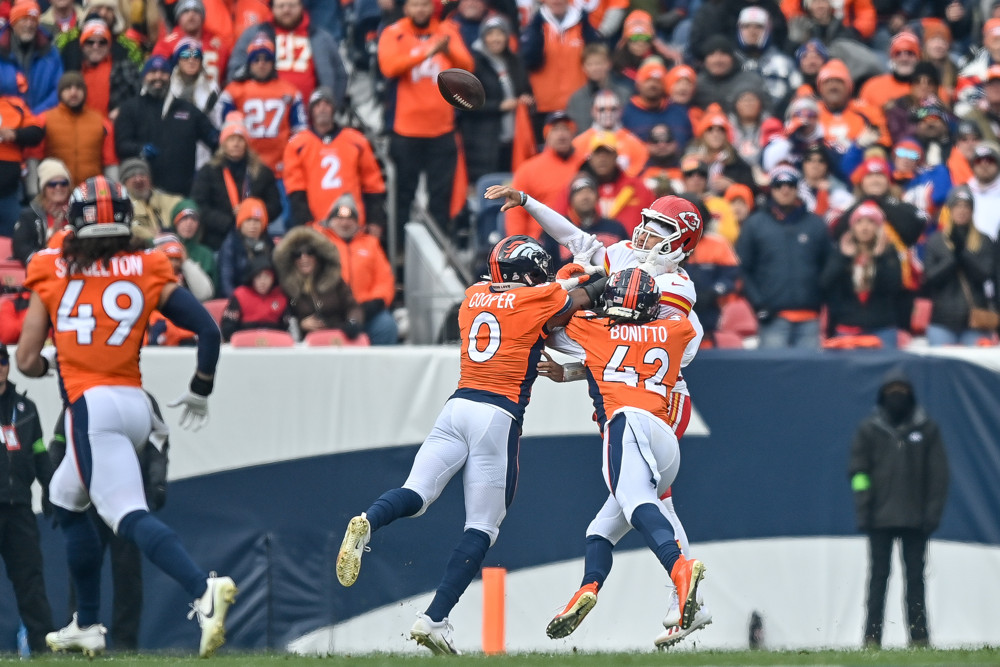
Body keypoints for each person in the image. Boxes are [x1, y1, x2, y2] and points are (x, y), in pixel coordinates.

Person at [335, 235, 604, 654]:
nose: (543, 277)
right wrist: (609, 275)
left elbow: (546, 296)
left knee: (417, 493)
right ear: (521, 274)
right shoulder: (536, 301)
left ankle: (368, 520)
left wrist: (563, 285)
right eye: (536, 271)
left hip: (456, 407)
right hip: (496, 417)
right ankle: (434, 618)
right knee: (483, 527)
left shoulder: (473, 296)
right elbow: (580, 296)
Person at [15, 176, 236, 658]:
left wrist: (55, 359)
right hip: (135, 403)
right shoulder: (149, 263)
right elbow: (207, 329)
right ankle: (88, 623)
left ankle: (203, 589)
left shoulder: (50, 267)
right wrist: (201, 386)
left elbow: (26, 359)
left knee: (124, 513)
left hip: (90, 408)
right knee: (65, 498)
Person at [485, 186, 711, 647]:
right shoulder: (632, 259)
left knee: (653, 498)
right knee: (636, 504)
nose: (646, 232)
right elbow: (578, 239)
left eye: (660, 228)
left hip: (658, 400)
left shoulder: (676, 287)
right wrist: (528, 203)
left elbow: (620, 337)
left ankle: (683, 591)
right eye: (648, 221)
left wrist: (568, 294)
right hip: (636, 382)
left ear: (681, 243)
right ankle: (667, 594)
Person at [542, 269, 705, 644]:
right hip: (664, 438)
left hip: (626, 423)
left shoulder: (591, 329)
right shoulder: (675, 329)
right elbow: (655, 335)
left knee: (635, 502)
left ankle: (680, 569)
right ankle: (587, 587)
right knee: (601, 529)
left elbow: (550, 322)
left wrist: (576, 284)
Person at [49, 393, 170, 651]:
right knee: (83, 566)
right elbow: (59, 442)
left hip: (125, 498)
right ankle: (81, 628)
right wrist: (57, 491)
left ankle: (126, 640)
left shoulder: (140, 399)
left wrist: (157, 482)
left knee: (127, 573)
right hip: (88, 498)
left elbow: (158, 445)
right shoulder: (81, 397)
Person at [848, 367, 949, 649]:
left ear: (911, 395)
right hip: (878, 518)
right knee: (878, 581)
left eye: (902, 391)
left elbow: (938, 476)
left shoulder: (927, 430)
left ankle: (919, 639)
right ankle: (871, 639)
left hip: (916, 519)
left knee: (915, 581)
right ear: (882, 395)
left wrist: (932, 513)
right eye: (891, 391)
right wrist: (863, 510)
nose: (897, 397)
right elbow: (858, 473)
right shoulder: (869, 430)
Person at [378, 0, 474, 232]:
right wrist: (425, 52)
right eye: (415, 5)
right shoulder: (394, 33)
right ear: (406, 8)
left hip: (442, 130)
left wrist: (447, 51)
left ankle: (439, 247)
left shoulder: (447, 31)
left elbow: (468, 66)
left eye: (425, 4)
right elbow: (389, 67)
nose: (420, 9)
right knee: (403, 195)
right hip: (406, 130)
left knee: (440, 197)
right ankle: (400, 249)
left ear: (432, 7)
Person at [0, 342, 55, 655]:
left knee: (31, 583)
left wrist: (50, 489)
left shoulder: (25, 408)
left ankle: (42, 652)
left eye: (2, 361)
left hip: (20, 508)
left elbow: (38, 452)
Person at [736, 166, 829, 349]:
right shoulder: (755, 224)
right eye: (779, 185)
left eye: (790, 184)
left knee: (811, 375)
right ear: (772, 189)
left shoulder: (816, 224)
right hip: (772, 317)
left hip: (810, 316)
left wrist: (820, 296)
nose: (785, 189)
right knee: (772, 376)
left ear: (797, 188)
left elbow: (829, 267)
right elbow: (742, 269)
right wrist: (758, 304)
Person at [114, 55, 219, 197]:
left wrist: (220, 138)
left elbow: (213, 138)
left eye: (163, 72)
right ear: (144, 76)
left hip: (181, 191)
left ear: (170, 77)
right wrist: (140, 149)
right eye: (153, 72)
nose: (158, 76)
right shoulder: (130, 108)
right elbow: (122, 145)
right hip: (143, 192)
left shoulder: (187, 109)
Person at [283, 87, 386, 231]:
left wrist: (375, 221)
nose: (322, 109)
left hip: (353, 223)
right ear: (311, 111)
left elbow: (373, 183)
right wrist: (306, 223)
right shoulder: (298, 144)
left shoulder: (356, 140)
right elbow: (296, 189)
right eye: (317, 105)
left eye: (327, 104)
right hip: (317, 225)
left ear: (334, 108)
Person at [226, 0, 349, 105]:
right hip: (264, 115)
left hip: (310, 121)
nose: (286, 10)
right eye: (281, 6)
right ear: (272, 8)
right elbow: (235, 71)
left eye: (291, 5)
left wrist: (330, 106)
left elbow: (340, 75)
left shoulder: (322, 38)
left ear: (301, 6)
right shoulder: (253, 34)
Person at [311, 195, 398, 345]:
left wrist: (374, 303)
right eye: (339, 217)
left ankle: (378, 368)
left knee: (386, 326)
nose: (345, 223)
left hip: (364, 310)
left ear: (357, 222)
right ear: (330, 219)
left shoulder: (371, 244)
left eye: (350, 218)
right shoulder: (319, 242)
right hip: (331, 311)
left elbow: (384, 279)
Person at [217, 34, 306, 176]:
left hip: (281, 168)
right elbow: (222, 131)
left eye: (266, 59)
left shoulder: (290, 92)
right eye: (256, 59)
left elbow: (301, 133)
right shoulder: (233, 91)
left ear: (273, 63)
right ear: (249, 63)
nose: (261, 63)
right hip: (244, 167)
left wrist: (291, 158)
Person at [191, 112, 282, 250]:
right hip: (218, 241)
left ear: (246, 143)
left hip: (256, 239)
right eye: (231, 139)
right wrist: (228, 222)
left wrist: (251, 212)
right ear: (223, 143)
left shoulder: (262, 172)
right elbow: (199, 206)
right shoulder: (209, 171)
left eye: (240, 139)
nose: (236, 143)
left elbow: (275, 205)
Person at [821, 201, 904, 348]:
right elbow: (826, 283)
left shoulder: (889, 253)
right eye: (859, 222)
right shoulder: (839, 253)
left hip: (882, 328)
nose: (865, 227)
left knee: (886, 371)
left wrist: (879, 257)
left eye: (871, 222)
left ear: (878, 228)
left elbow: (893, 286)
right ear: (852, 227)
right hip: (847, 327)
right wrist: (844, 258)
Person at [923, 185, 998, 346]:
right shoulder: (936, 241)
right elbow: (930, 278)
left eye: (966, 206)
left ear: (972, 210)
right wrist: (953, 258)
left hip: (974, 320)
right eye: (957, 205)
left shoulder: (984, 240)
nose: (962, 210)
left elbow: (985, 275)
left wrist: (963, 253)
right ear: (949, 209)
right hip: (942, 321)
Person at [505, 111, 586, 239]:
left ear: (573, 133)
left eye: (565, 129)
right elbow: (515, 212)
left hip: (581, 240)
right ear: (546, 135)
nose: (561, 135)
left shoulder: (585, 164)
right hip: (540, 243)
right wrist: (519, 245)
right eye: (555, 130)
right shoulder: (528, 169)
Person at [29, 72, 118, 189]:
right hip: (56, 191)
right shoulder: (44, 120)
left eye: (78, 88)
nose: (73, 92)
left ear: (85, 92)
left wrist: (113, 191)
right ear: (60, 93)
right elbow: (33, 157)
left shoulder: (101, 122)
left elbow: (110, 162)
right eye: (67, 88)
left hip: (92, 191)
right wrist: (33, 190)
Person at [273, 226, 363, 340]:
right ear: (292, 259)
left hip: (338, 338)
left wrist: (352, 322)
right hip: (304, 345)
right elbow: (283, 318)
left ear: (318, 256)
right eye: (297, 254)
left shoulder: (334, 280)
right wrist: (301, 324)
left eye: (310, 252)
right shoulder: (286, 287)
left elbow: (353, 307)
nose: (304, 258)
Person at [63, 18, 141, 118]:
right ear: (82, 45)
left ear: (109, 46)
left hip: (115, 128)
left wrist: (122, 110)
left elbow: (141, 97)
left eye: (102, 42)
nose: (96, 46)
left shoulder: (124, 68)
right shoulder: (73, 70)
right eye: (90, 42)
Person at [0, 0, 63, 114]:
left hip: (41, 122)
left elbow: (58, 89)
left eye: (33, 20)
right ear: (13, 22)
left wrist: (35, 117)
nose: (29, 24)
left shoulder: (50, 52)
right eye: (24, 19)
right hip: (5, 123)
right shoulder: (2, 50)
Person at [12, 158, 72, 265]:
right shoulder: (30, 215)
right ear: (43, 189)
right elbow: (21, 248)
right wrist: (51, 238)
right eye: (52, 184)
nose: (58, 187)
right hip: (42, 270)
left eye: (63, 183)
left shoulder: (77, 213)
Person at [0, 91, 44, 236]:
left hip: (9, 190)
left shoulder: (14, 105)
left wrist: (14, 134)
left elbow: (36, 132)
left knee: (15, 237)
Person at [220, 256, 291, 342]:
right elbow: (227, 328)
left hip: (275, 345)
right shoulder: (240, 295)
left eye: (267, 276)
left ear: (273, 278)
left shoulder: (281, 296)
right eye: (258, 276)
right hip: (244, 345)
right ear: (252, 277)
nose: (263, 281)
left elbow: (288, 327)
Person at [218, 197, 274, 298]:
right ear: (240, 223)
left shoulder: (269, 244)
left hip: (268, 299)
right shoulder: (230, 245)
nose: (253, 225)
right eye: (248, 220)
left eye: (257, 221)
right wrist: (239, 302)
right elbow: (226, 283)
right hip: (240, 299)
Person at [121, 157, 181, 239]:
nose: (138, 179)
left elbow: (187, 209)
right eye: (132, 176)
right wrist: (155, 236)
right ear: (124, 183)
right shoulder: (122, 207)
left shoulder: (171, 200)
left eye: (142, 174)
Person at [169, 201, 218, 290]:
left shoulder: (205, 254)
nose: (189, 223)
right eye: (184, 218)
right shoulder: (162, 247)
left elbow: (213, 291)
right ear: (175, 222)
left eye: (194, 219)